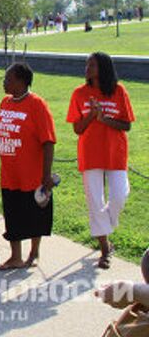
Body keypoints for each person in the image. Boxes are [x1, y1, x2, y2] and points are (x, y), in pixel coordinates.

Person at [0, 63, 56, 270]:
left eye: (8, 78)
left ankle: (34, 253)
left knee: (35, 215)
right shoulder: (5, 103)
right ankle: (16, 256)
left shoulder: (37, 104)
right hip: (10, 174)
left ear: (21, 81)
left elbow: (48, 141)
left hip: (31, 175)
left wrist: (46, 175)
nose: (4, 82)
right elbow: (1, 135)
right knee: (12, 214)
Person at [67, 52, 134, 269]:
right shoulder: (79, 93)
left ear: (103, 68)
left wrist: (103, 119)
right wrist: (91, 115)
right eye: (87, 64)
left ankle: (104, 224)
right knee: (95, 201)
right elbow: (77, 128)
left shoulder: (118, 90)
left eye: (92, 65)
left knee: (120, 195)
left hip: (115, 153)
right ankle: (105, 249)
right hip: (90, 153)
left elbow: (127, 125)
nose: (87, 68)